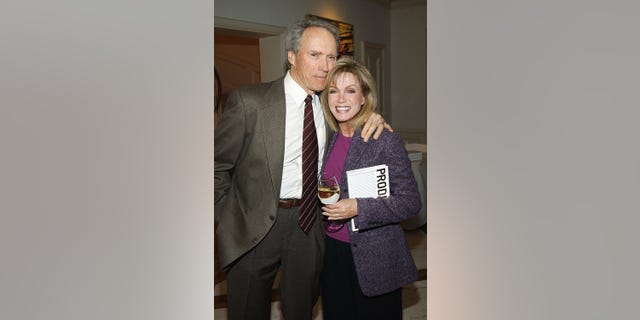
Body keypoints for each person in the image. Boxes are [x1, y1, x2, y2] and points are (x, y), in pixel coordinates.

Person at [214, 16, 390, 320]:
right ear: (292, 56)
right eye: (315, 55)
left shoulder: (333, 107)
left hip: (309, 226)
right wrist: (229, 218)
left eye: (332, 57)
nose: (325, 66)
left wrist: (372, 118)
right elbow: (213, 167)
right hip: (254, 227)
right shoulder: (250, 102)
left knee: (301, 311)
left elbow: (357, 120)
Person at [318, 58, 421, 320]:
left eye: (350, 90)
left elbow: (410, 201)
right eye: (333, 90)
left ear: (364, 97)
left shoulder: (382, 138)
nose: (340, 98)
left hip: (376, 256)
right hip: (333, 253)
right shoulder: (326, 137)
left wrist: (359, 207)